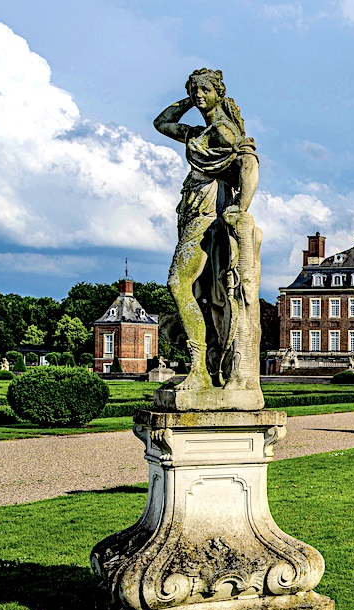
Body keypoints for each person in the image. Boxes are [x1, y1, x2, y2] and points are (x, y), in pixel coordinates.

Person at [154, 69, 260, 392]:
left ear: (218, 92)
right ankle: (203, 368)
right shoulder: (201, 131)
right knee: (199, 295)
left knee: (178, 283)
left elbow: (249, 163)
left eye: (204, 90)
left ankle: (199, 368)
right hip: (192, 211)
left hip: (206, 215)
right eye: (194, 89)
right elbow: (162, 123)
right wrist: (192, 100)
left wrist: (240, 206)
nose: (199, 94)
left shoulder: (223, 132)